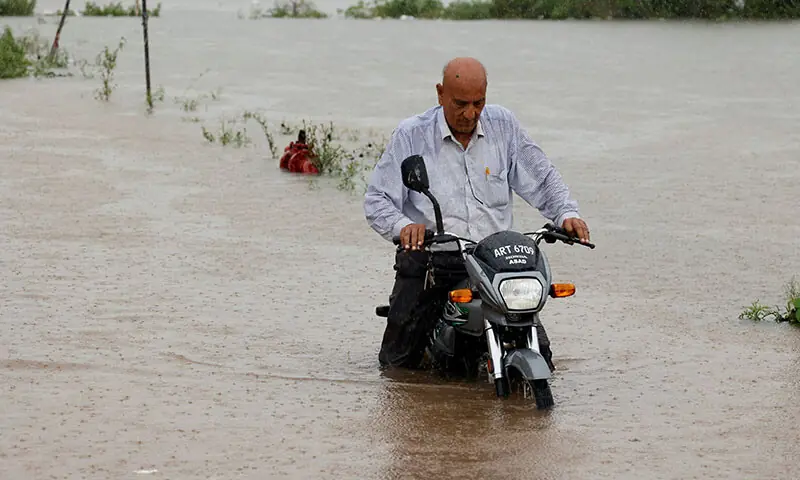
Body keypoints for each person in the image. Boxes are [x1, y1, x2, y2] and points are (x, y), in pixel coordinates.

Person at [363, 57, 591, 370]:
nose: (471, 114)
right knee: (397, 366)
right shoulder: (411, 135)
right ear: (440, 93)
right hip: (433, 255)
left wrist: (566, 214)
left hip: (492, 260)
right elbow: (376, 199)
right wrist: (405, 227)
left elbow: (541, 177)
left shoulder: (503, 126)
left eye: (478, 103)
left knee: (544, 356)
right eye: (460, 103)